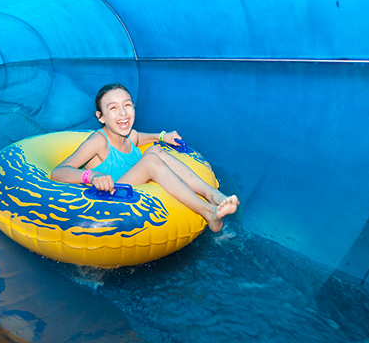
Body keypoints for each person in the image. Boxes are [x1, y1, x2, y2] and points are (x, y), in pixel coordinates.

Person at [51, 83, 239, 233]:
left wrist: (162, 136)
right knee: (150, 161)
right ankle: (209, 212)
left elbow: (140, 137)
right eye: (113, 108)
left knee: (155, 151)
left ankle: (213, 194)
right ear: (101, 117)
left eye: (127, 105)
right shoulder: (98, 142)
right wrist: (91, 176)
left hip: (130, 191)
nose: (123, 113)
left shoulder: (130, 136)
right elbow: (58, 172)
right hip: (107, 200)